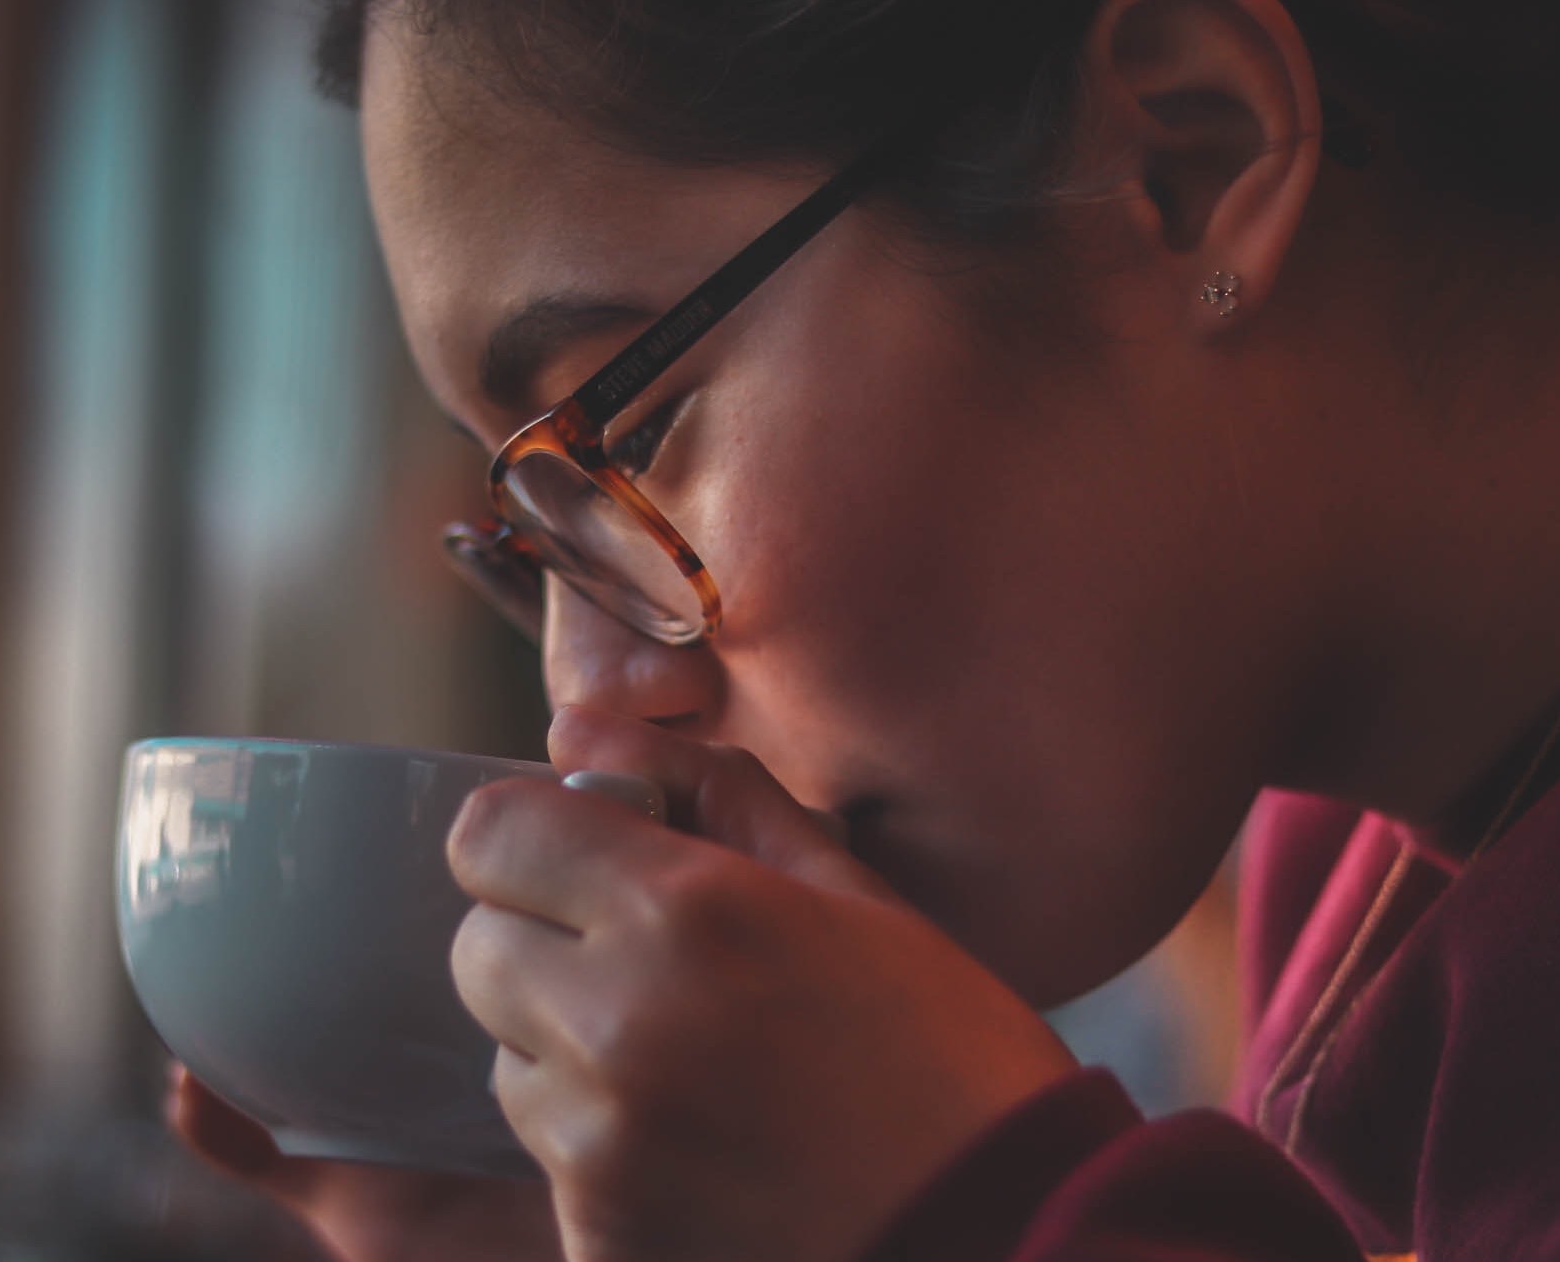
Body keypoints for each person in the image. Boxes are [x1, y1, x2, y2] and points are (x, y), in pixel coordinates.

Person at [168, 0, 1560, 1258]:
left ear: (1181, 165)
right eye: (534, 541)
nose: (588, 701)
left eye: (631, 433)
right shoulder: (1352, 874)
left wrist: (989, 1213)